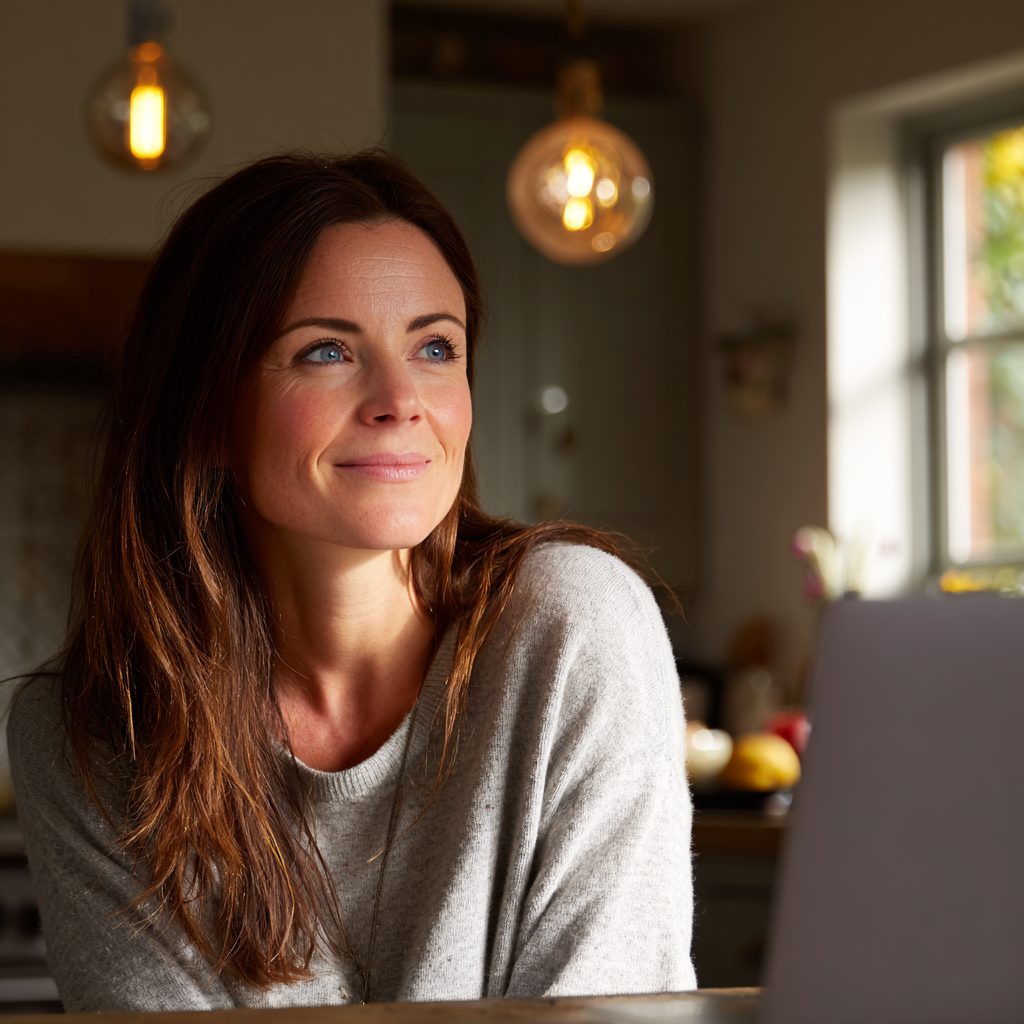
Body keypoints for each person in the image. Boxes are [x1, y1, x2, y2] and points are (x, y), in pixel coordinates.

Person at [8, 150, 695, 1012]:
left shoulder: (574, 626)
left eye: (435, 346)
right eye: (327, 350)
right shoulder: (96, 731)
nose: (401, 399)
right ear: (206, 409)